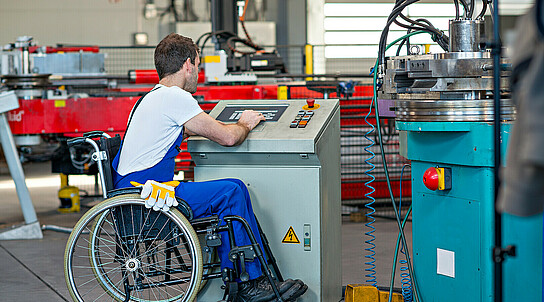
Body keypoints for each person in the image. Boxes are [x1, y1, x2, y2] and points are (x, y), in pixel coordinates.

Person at [111, 33, 307, 302]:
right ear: (188, 65)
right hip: (147, 199)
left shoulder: (150, 98)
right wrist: (246, 123)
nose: (198, 74)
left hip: (136, 194)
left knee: (233, 188)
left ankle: (246, 277)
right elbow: (228, 138)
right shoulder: (175, 98)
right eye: (199, 67)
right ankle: (249, 282)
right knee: (231, 192)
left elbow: (187, 129)